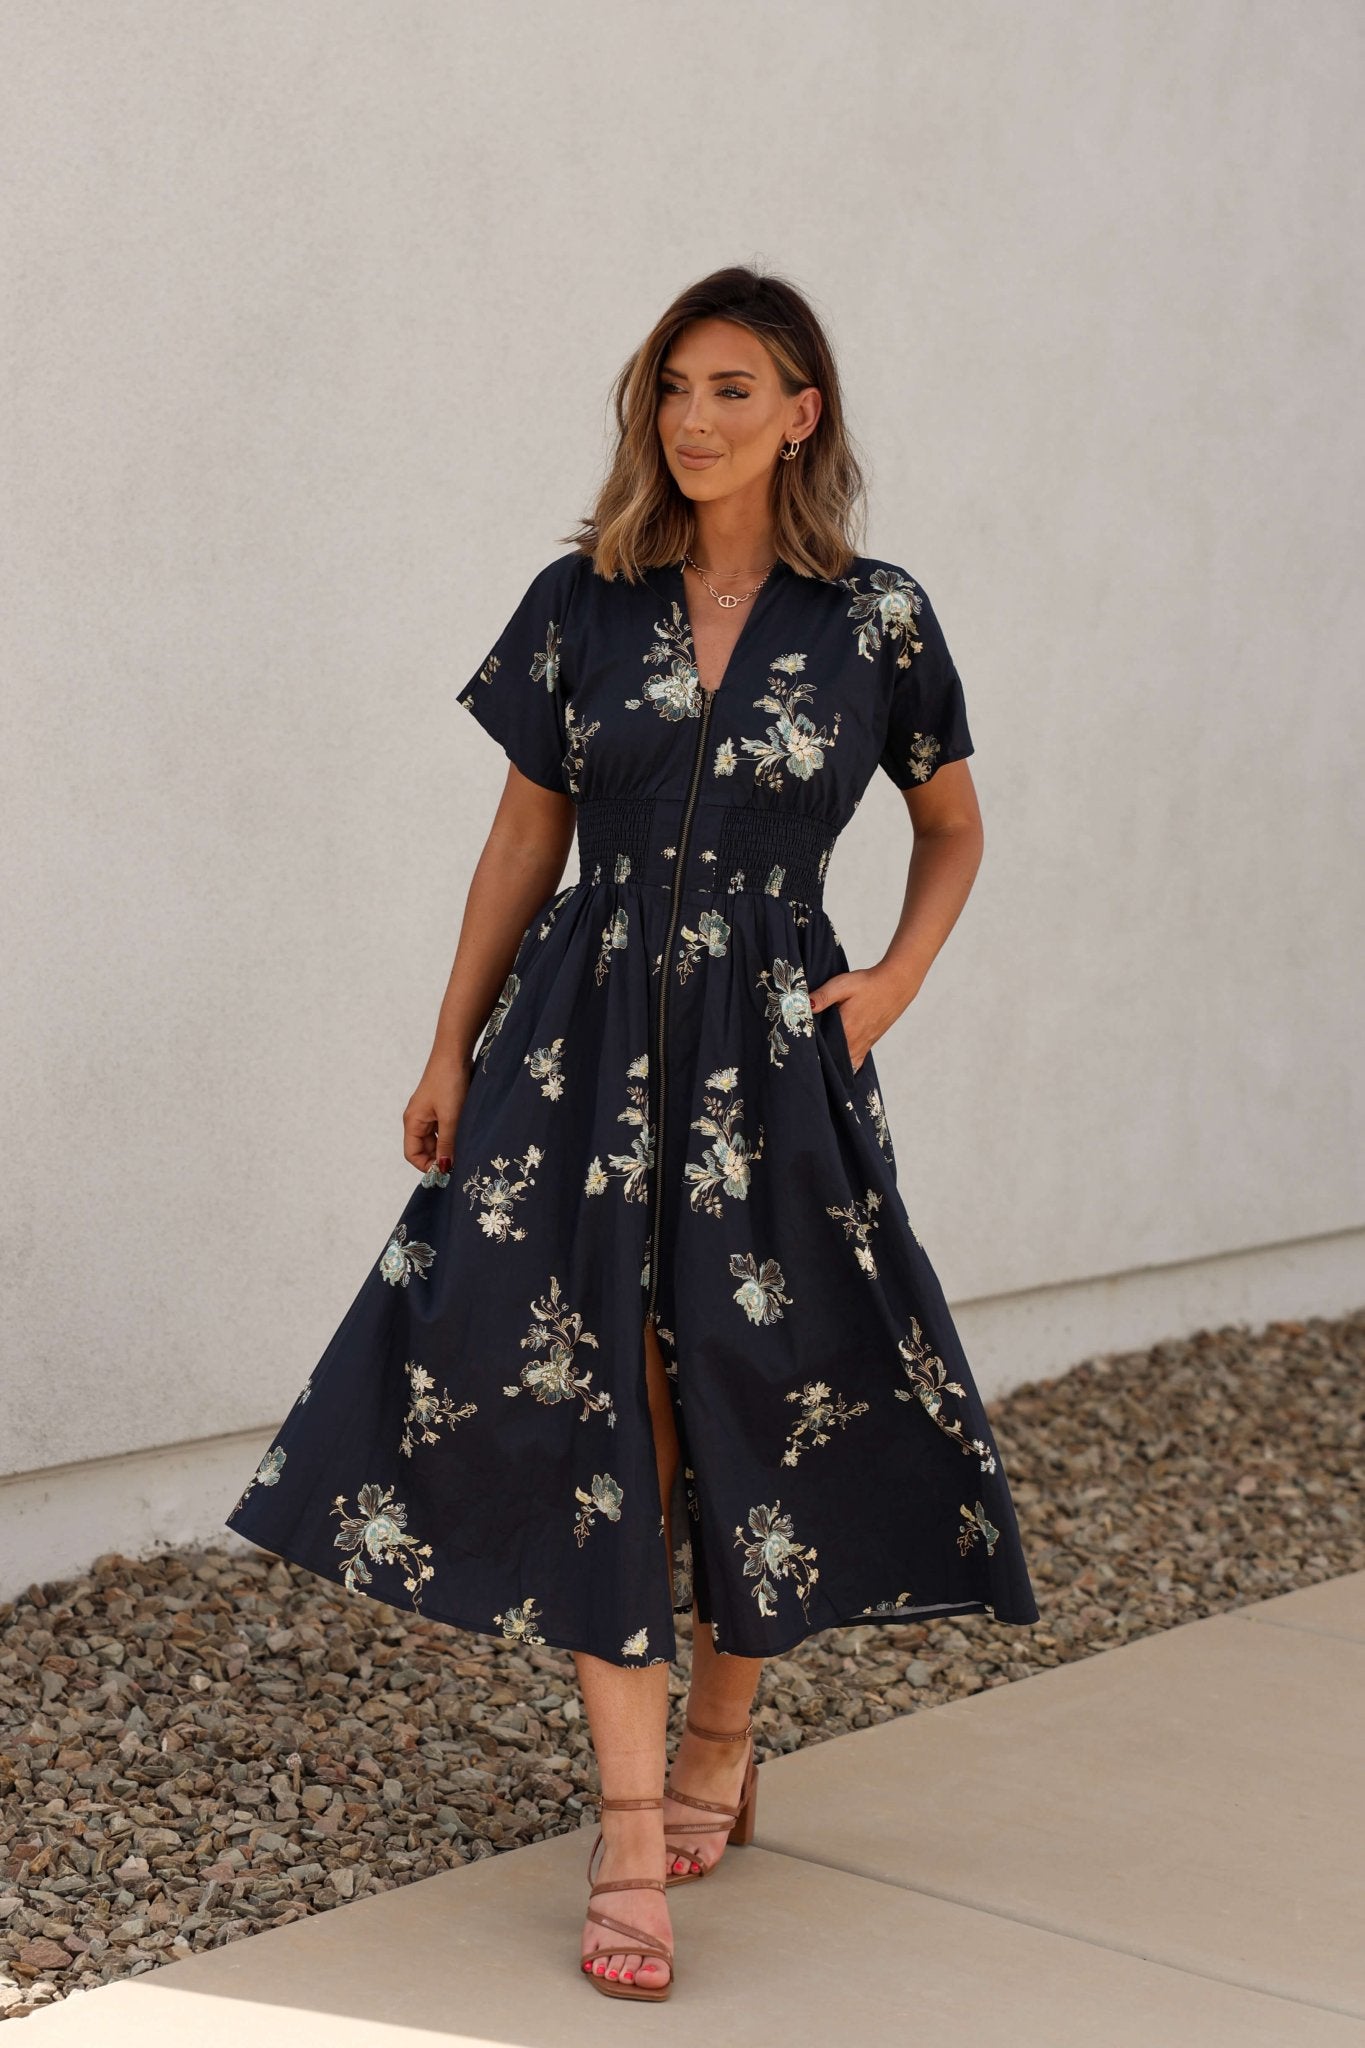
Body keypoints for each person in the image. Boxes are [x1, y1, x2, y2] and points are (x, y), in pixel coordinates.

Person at [225, 263, 1040, 2002]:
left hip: (772, 1040)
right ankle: (618, 1818)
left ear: (800, 414)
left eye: (731, 390)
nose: (690, 419)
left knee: (766, 1366)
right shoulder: (578, 601)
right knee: (600, 1381)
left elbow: (955, 824)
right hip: (580, 1038)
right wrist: (447, 1041)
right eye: (672, 388)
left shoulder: (877, 617)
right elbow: (522, 841)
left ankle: (723, 1740)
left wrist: (891, 978)